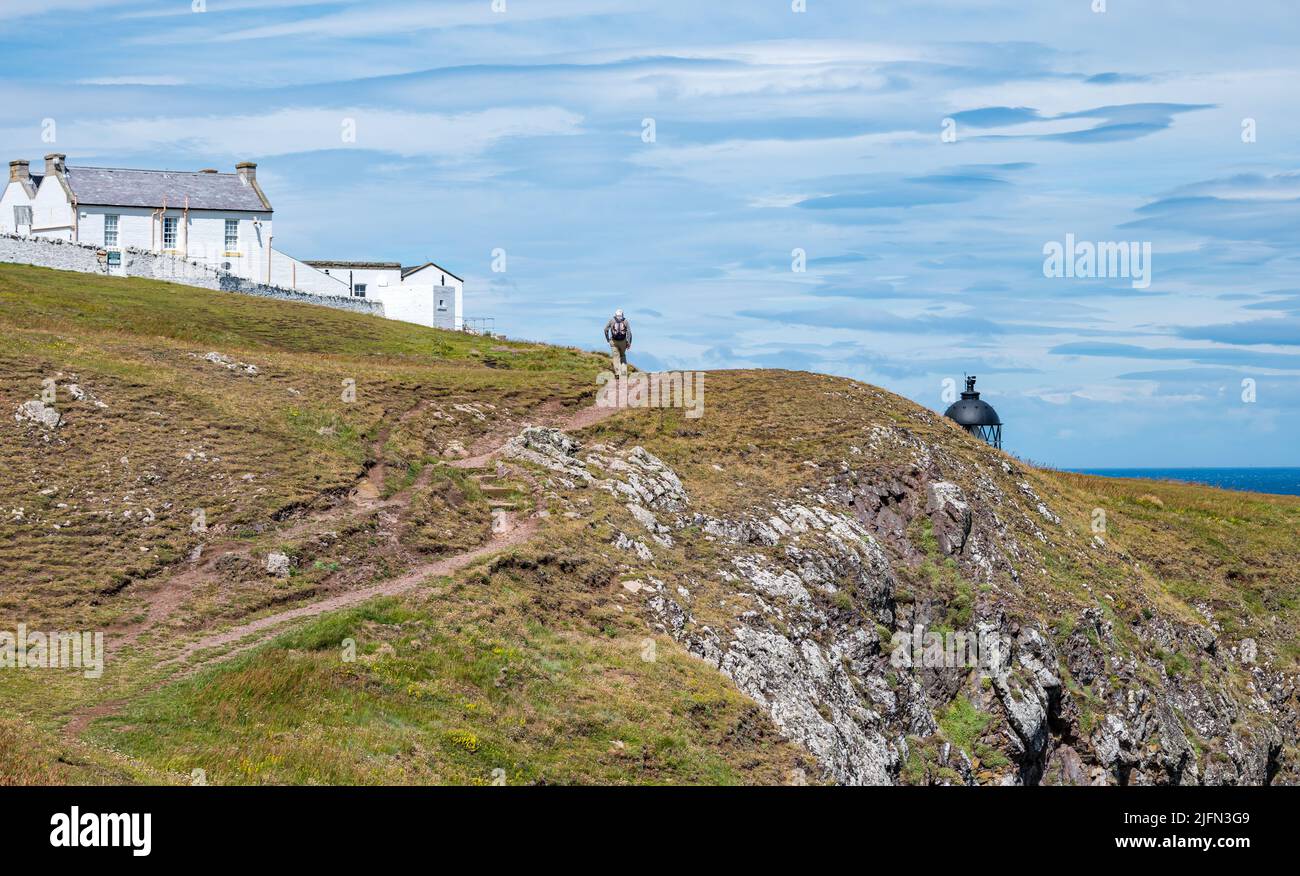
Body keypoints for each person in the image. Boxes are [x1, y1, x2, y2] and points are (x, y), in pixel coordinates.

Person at [604, 309, 631, 374]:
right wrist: (629, 342)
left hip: (613, 341)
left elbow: (605, 330)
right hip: (623, 342)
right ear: (622, 314)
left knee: (616, 358)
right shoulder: (625, 321)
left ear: (615, 315)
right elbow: (629, 332)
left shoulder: (612, 320)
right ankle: (624, 373)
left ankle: (618, 374)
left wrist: (607, 339)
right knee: (622, 356)